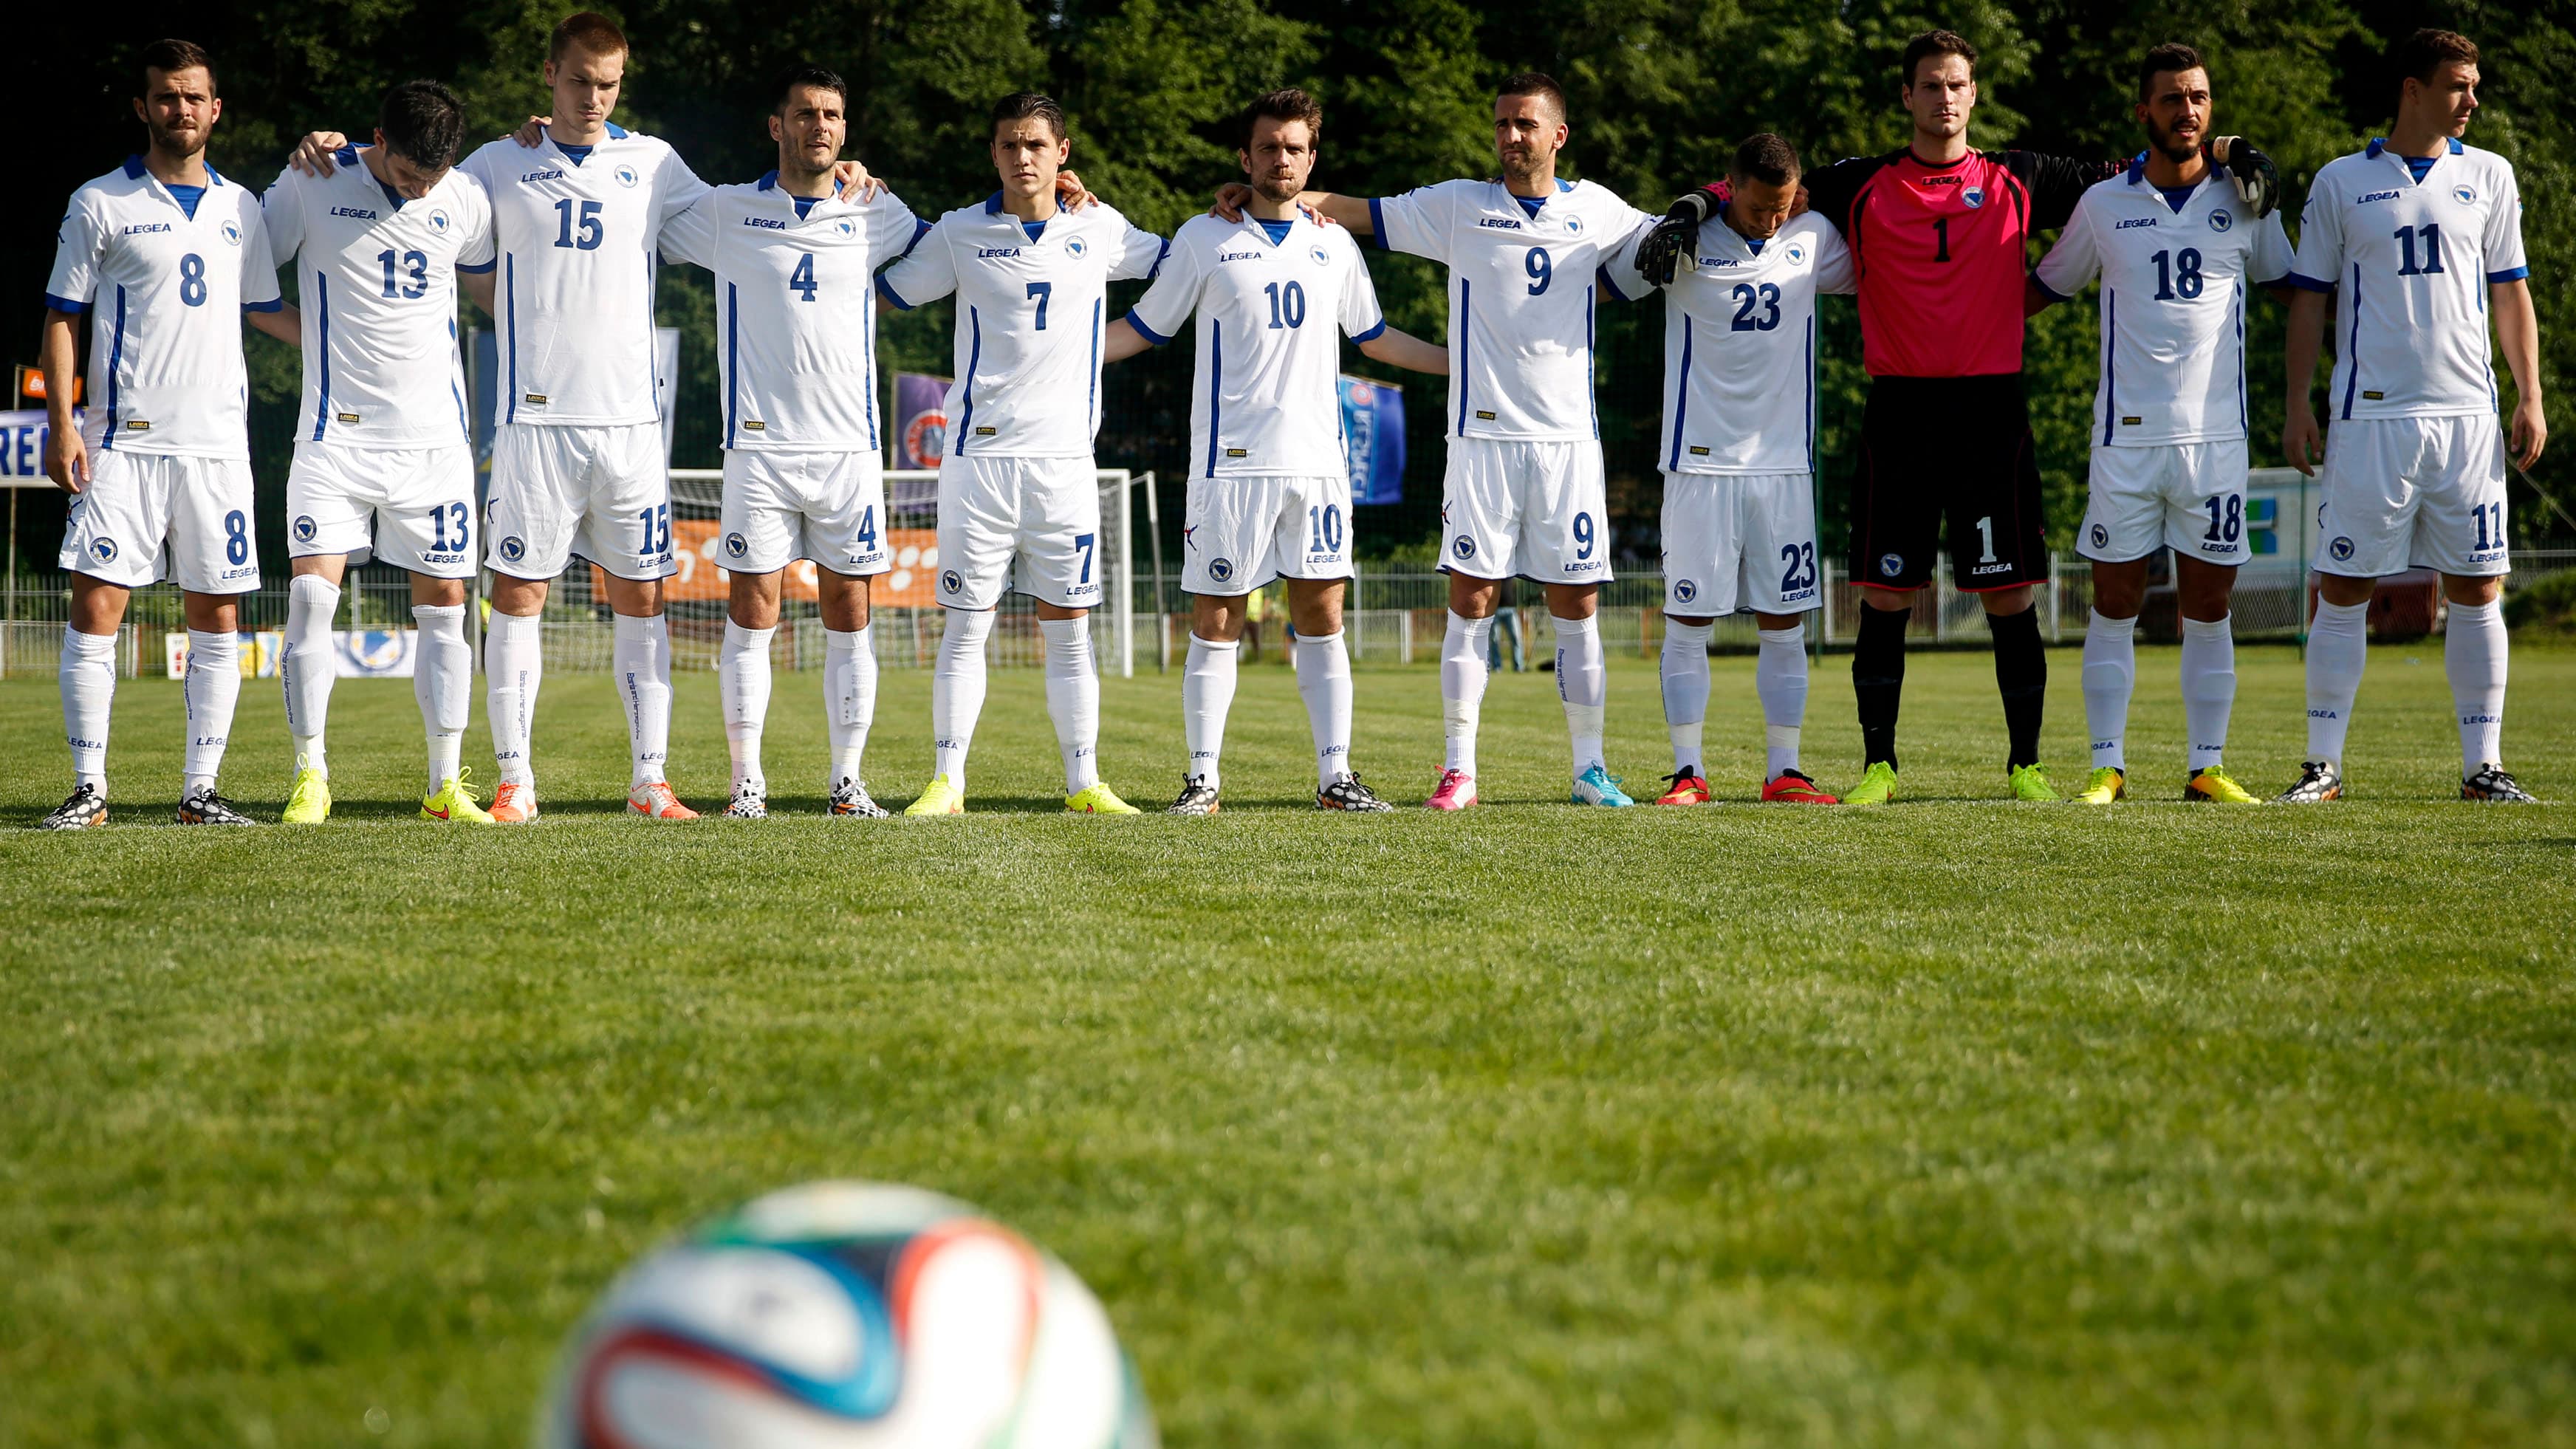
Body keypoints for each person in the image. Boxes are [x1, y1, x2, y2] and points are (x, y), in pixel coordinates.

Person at [1637, 29, 2278, 804]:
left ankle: (2025, 766)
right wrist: (1694, 201)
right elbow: (1766, 186)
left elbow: (2151, 165)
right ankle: (1878, 767)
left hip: (1990, 410)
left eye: (1956, 85)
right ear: (1906, 97)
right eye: (1929, 86)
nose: (1944, 99)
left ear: (1974, 94)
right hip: (1899, 411)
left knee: (2010, 596)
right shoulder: (1860, 182)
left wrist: (2233, 147)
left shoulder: (2024, 176)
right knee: (1884, 595)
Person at [1218, 72, 1658, 809]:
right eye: (1501, 125)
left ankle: (1589, 770)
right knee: (1471, 597)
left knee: (1576, 604)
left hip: (1568, 442)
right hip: (1480, 438)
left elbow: (1669, 241)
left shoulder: (1600, 210)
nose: (1510, 137)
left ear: (1558, 136)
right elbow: (1356, 213)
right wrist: (1260, 199)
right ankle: (1459, 770)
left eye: (1525, 124)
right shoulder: (1458, 206)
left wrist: (1732, 201)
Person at [1103, 87, 1447, 815]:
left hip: (1318, 465)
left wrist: (1460, 362)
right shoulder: (1203, 238)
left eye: (1293, 147)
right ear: (1245, 157)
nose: (1280, 158)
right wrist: (1058, 357)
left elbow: (1375, 338)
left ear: (1311, 157)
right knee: (1217, 620)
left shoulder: (1334, 243)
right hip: (1230, 466)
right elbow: (1141, 328)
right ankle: (1202, 782)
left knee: (1322, 617)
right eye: (1267, 147)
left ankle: (1335, 778)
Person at [877, 92, 1166, 815]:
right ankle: (947, 781)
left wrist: (1233, 208)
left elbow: (1178, 264)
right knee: (965, 622)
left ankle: (1084, 783)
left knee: (1068, 628)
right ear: (993, 153)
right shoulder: (959, 231)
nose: (1021, 156)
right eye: (1008, 144)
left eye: (1035, 144)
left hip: (1065, 462)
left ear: (1061, 153)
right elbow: (886, 293)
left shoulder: (1099, 228)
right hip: (978, 460)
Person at [2275, 28, 2544, 804]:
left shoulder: (2489, 175)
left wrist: (2528, 394)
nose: (2471, 99)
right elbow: (2308, 300)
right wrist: (2296, 403)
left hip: (2466, 415)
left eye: (2474, 83)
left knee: (2476, 585)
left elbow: (2509, 291)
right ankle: (2320, 768)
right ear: (2411, 89)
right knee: (2342, 585)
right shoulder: (2338, 181)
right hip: (2370, 418)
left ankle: (2481, 768)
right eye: (2457, 85)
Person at [2027, 44, 2292, 806]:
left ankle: (2205, 767)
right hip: (2125, 439)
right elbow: (2042, 289)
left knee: (2206, 609)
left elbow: (2293, 289)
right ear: (2142, 110)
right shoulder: (2103, 204)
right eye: (2172, 99)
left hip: (2215, 442)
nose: (2187, 111)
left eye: (2199, 98)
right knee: (2112, 603)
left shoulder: (2246, 197)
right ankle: (2105, 768)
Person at [657, 65, 925, 820]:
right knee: (752, 610)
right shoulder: (725, 211)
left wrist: (1061, 197)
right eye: (805, 113)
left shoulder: (876, 208)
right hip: (759, 448)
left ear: (846, 129)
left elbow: (964, 245)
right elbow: (628, 221)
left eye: (833, 115)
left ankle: (847, 782)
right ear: (776, 126)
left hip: (849, 451)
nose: (820, 126)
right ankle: (748, 783)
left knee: (850, 610)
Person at [40, 38, 292, 831]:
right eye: (166, 97)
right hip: (124, 441)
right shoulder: (99, 202)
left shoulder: (241, 208)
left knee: (219, 617)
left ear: (216, 108)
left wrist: (357, 342)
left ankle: (200, 792)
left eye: (194, 97)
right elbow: (61, 317)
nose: (180, 110)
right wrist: (62, 425)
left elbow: (265, 314)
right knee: (97, 607)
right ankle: (89, 790)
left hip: (218, 447)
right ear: (144, 106)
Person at [261, 79, 498, 826]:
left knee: (447, 612)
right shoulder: (311, 180)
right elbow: (249, 290)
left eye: (432, 175)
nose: (419, 187)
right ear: (378, 139)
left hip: (434, 444)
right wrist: (324, 347)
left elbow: (491, 284)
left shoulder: (463, 200)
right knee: (308, 600)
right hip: (335, 437)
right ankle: (309, 775)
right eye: (407, 173)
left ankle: (442, 784)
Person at [1606, 132, 1851, 806]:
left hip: (1784, 467)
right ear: (1730, 185)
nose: (1770, 220)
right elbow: (1608, 287)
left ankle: (1785, 770)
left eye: (1781, 207)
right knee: (1690, 622)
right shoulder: (1682, 237)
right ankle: (1689, 771)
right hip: (1699, 462)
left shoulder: (1813, 236)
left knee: (1784, 620)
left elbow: (1878, 266)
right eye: (1757, 206)